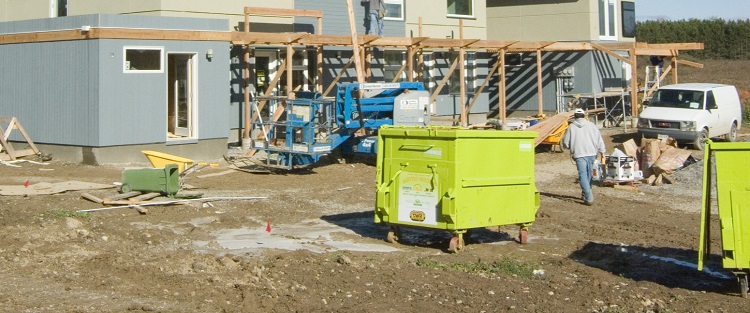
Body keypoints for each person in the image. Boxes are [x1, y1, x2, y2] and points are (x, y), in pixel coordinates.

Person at [562, 108, 606, 206]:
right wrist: (602, 151)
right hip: (592, 153)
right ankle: (586, 193)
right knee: (589, 175)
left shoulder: (571, 127)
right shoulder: (592, 126)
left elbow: (565, 142)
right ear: (583, 116)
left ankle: (588, 197)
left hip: (579, 154)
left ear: (575, 116)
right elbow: (599, 140)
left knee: (583, 175)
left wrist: (568, 147)